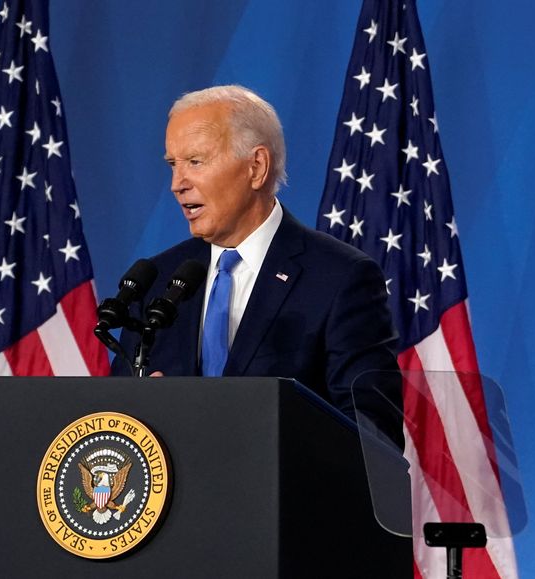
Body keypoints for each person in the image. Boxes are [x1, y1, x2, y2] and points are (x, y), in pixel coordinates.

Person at [111, 85, 401, 429]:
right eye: (173, 164)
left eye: (195, 161)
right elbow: (119, 419)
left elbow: (371, 434)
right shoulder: (158, 280)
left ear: (256, 167)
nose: (177, 183)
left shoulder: (339, 279)